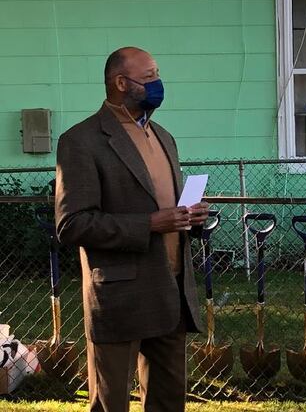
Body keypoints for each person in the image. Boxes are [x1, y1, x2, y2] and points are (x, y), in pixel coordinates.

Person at [55, 46, 209, 412]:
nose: (158, 84)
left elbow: (164, 204)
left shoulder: (164, 137)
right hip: (119, 295)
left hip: (170, 289)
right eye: (150, 76)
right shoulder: (81, 141)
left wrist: (190, 216)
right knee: (111, 403)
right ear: (121, 83)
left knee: (169, 398)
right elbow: (72, 224)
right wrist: (151, 224)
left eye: (158, 75)